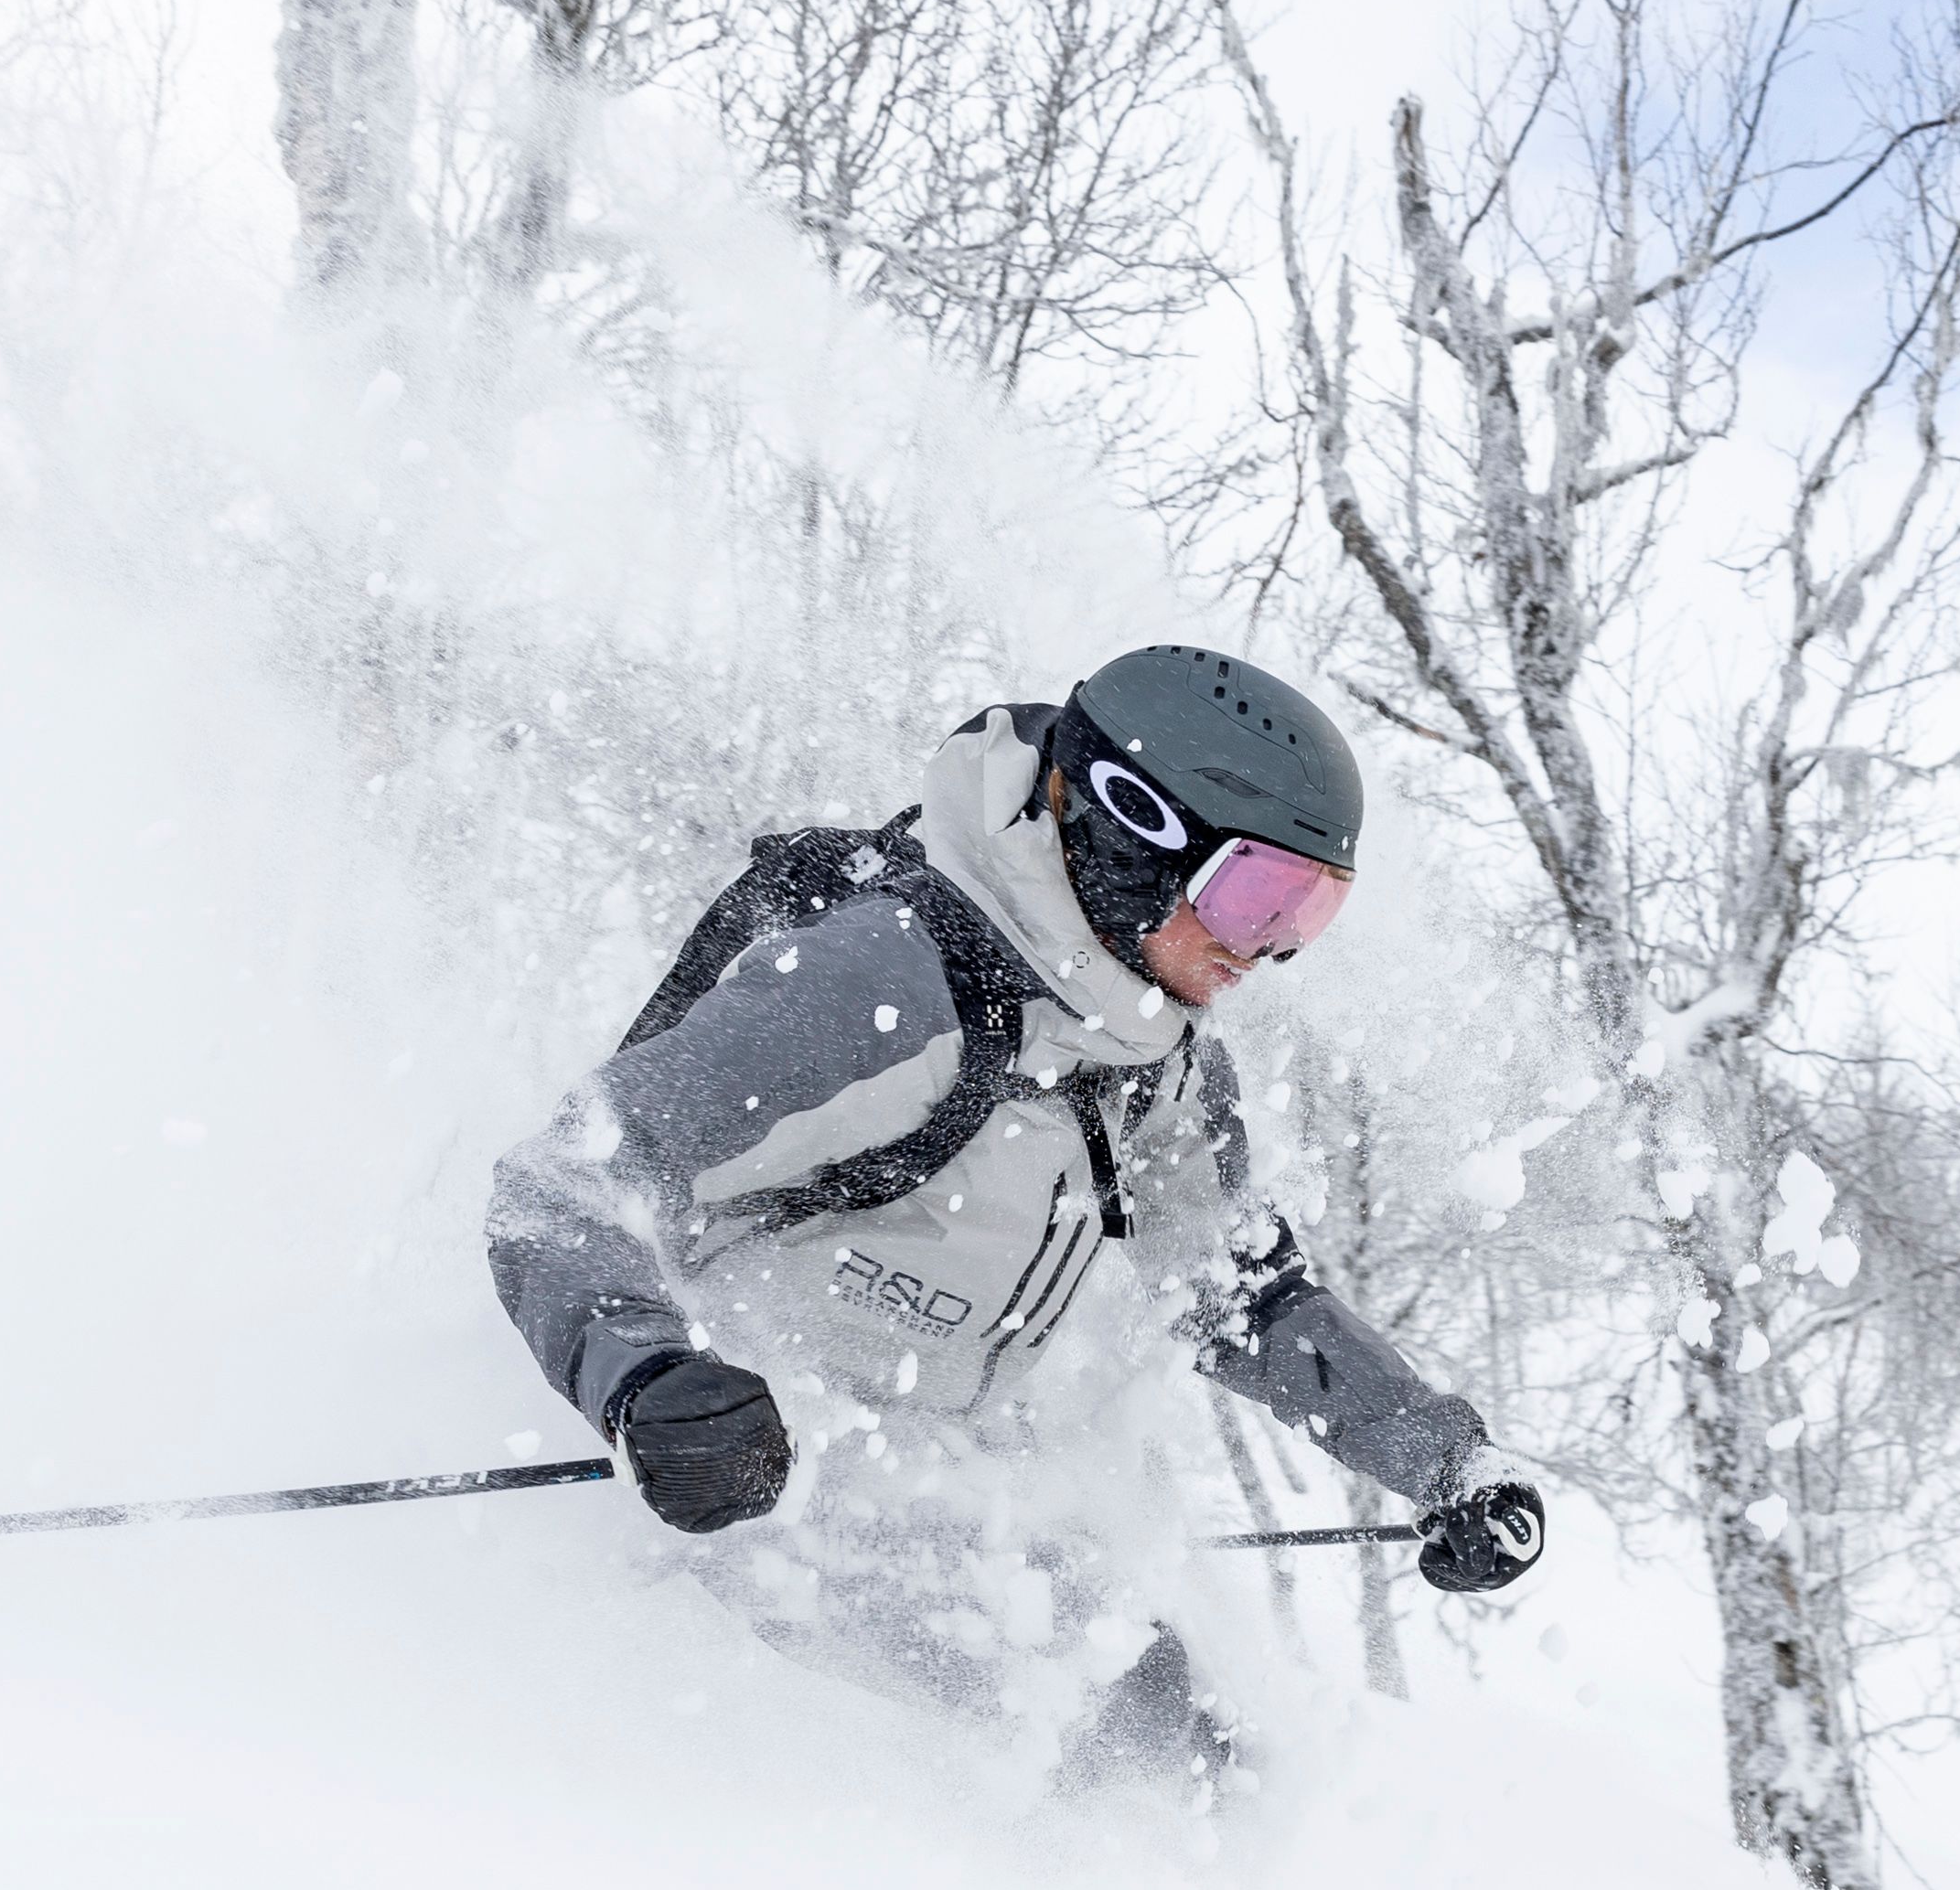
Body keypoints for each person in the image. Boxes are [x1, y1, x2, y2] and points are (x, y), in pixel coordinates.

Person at [485, 646, 1546, 1790]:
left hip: (915, 1492)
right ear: (1129, 833)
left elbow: (1243, 1299)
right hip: (718, 1485)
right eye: (1252, 894)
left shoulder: (1160, 1064)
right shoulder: (875, 988)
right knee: (1124, 1759)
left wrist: (1443, 1460)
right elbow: (554, 1187)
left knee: (1188, 1753)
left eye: (1306, 910)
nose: (1265, 948)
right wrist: (649, 1381)